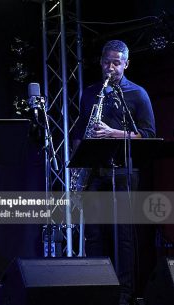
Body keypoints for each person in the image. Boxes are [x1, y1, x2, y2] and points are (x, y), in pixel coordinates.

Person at [72, 40, 156, 305]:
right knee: (95, 235)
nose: (111, 68)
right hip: (95, 172)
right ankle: (98, 290)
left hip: (123, 173)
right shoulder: (90, 93)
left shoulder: (138, 94)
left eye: (116, 63)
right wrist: (78, 169)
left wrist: (113, 133)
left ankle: (124, 293)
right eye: (107, 62)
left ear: (126, 64)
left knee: (123, 236)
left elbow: (149, 135)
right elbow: (80, 133)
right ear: (100, 61)